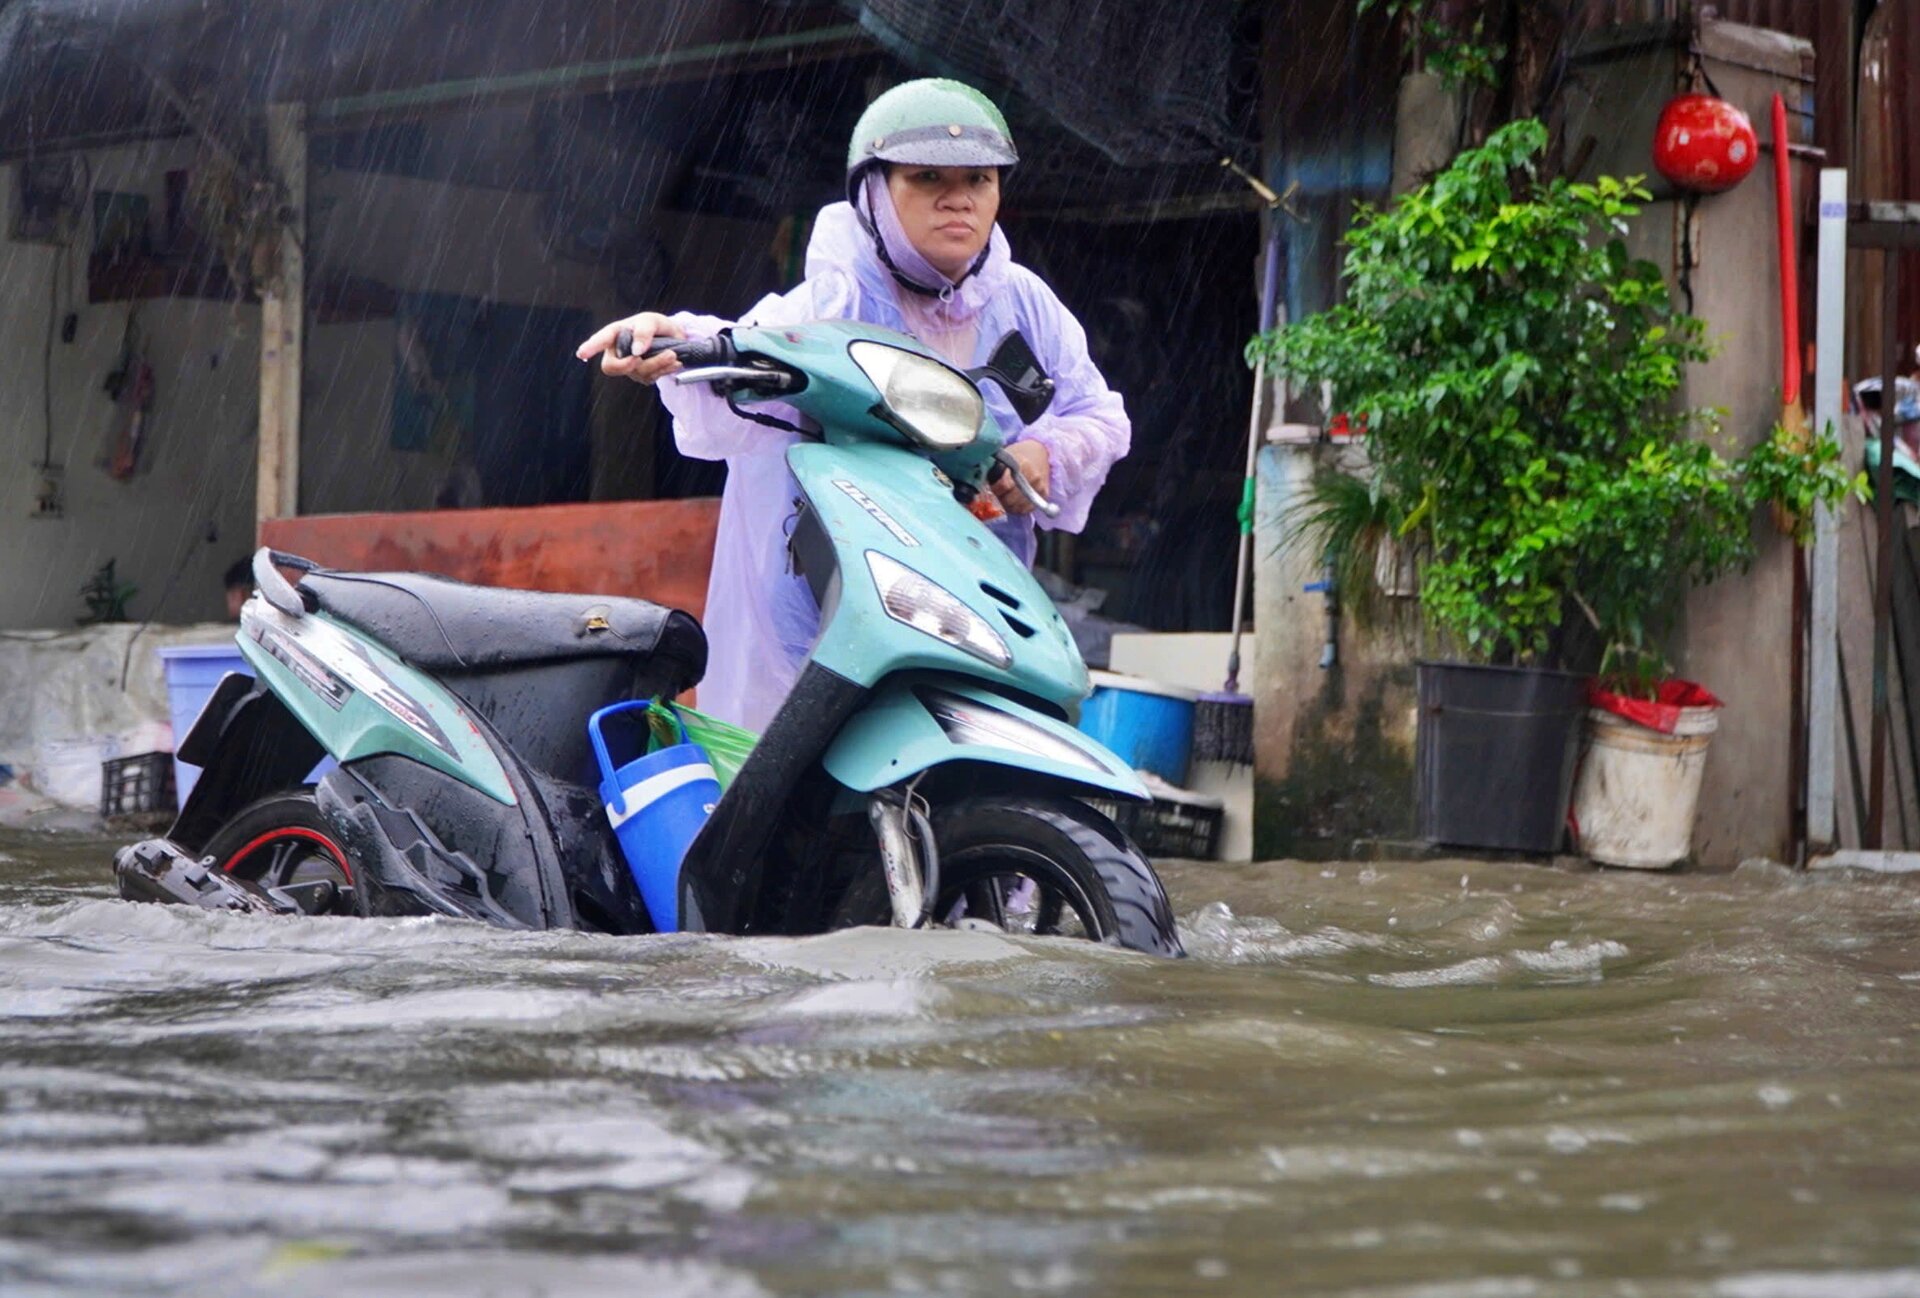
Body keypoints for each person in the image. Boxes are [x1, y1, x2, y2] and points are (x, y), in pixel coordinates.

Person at [577, 79, 1130, 732]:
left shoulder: (1025, 304)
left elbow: (1100, 416)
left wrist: (1046, 450)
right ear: (874, 192)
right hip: (822, 611)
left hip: (975, 607)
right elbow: (748, 349)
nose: (959, 199)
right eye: (928, 176)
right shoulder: (831, 303)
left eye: (980, 179)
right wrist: (670, 339)